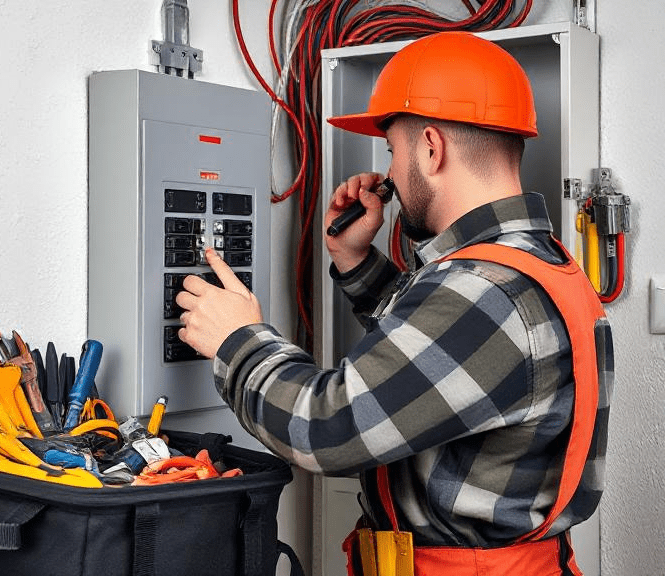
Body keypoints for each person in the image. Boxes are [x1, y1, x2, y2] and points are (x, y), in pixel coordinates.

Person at [176, 31, 613, 576]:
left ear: (431, 148)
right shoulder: (531, 265)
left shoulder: (485, 290)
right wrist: (357, 262)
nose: (389, 176)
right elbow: (441, 370)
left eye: (393, 152)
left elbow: (326, 428)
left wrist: (237, 341)